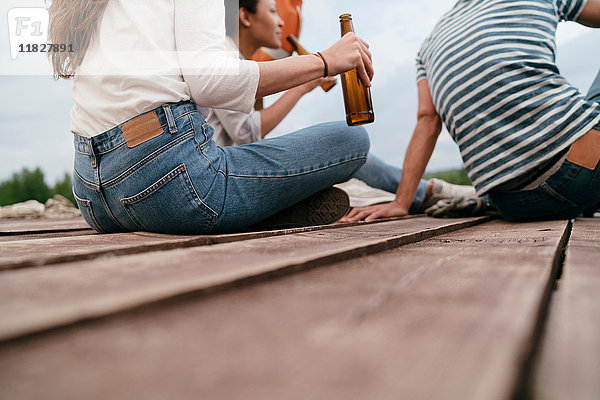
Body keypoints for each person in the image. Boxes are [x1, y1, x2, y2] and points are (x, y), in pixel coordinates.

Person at [48, 0, 374, 234]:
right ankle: (264, 207)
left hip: (92, 196)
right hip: (171, 187)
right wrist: (326, 60)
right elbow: (213, 83)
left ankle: (259, 207)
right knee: (352, 139)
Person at [342, 0, 600, 223]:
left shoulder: (430, 43)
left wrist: (401, 203)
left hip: (512, 203)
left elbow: (427, 121)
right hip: (578, 170)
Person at [212, 0, 476, 213]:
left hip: (229, 168)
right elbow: (246, 133)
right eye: (272, 11)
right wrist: (302, 87)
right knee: (348, 143)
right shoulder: (223, 56)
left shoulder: (236, 60)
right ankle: (429, 192)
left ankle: (421, 193)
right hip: (226, 172)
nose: (281, 20)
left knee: (342, 156)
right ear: (245, 17)